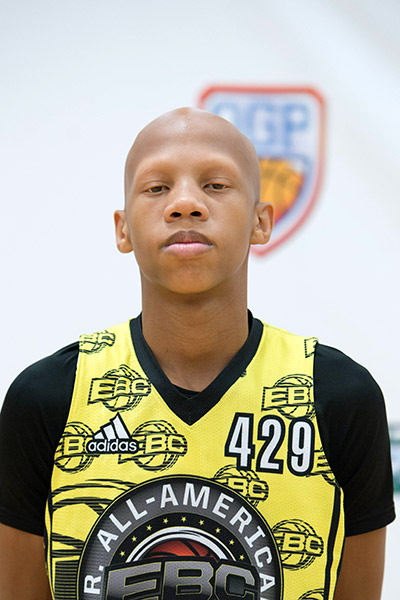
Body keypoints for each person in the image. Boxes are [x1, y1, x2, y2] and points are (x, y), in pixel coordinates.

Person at [0, 107, 395, 600]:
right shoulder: (47, 397)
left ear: (261, 222)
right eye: (157, 187)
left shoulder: (339, 395)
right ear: (123, 229)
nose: (185, 204)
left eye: (215, 185)